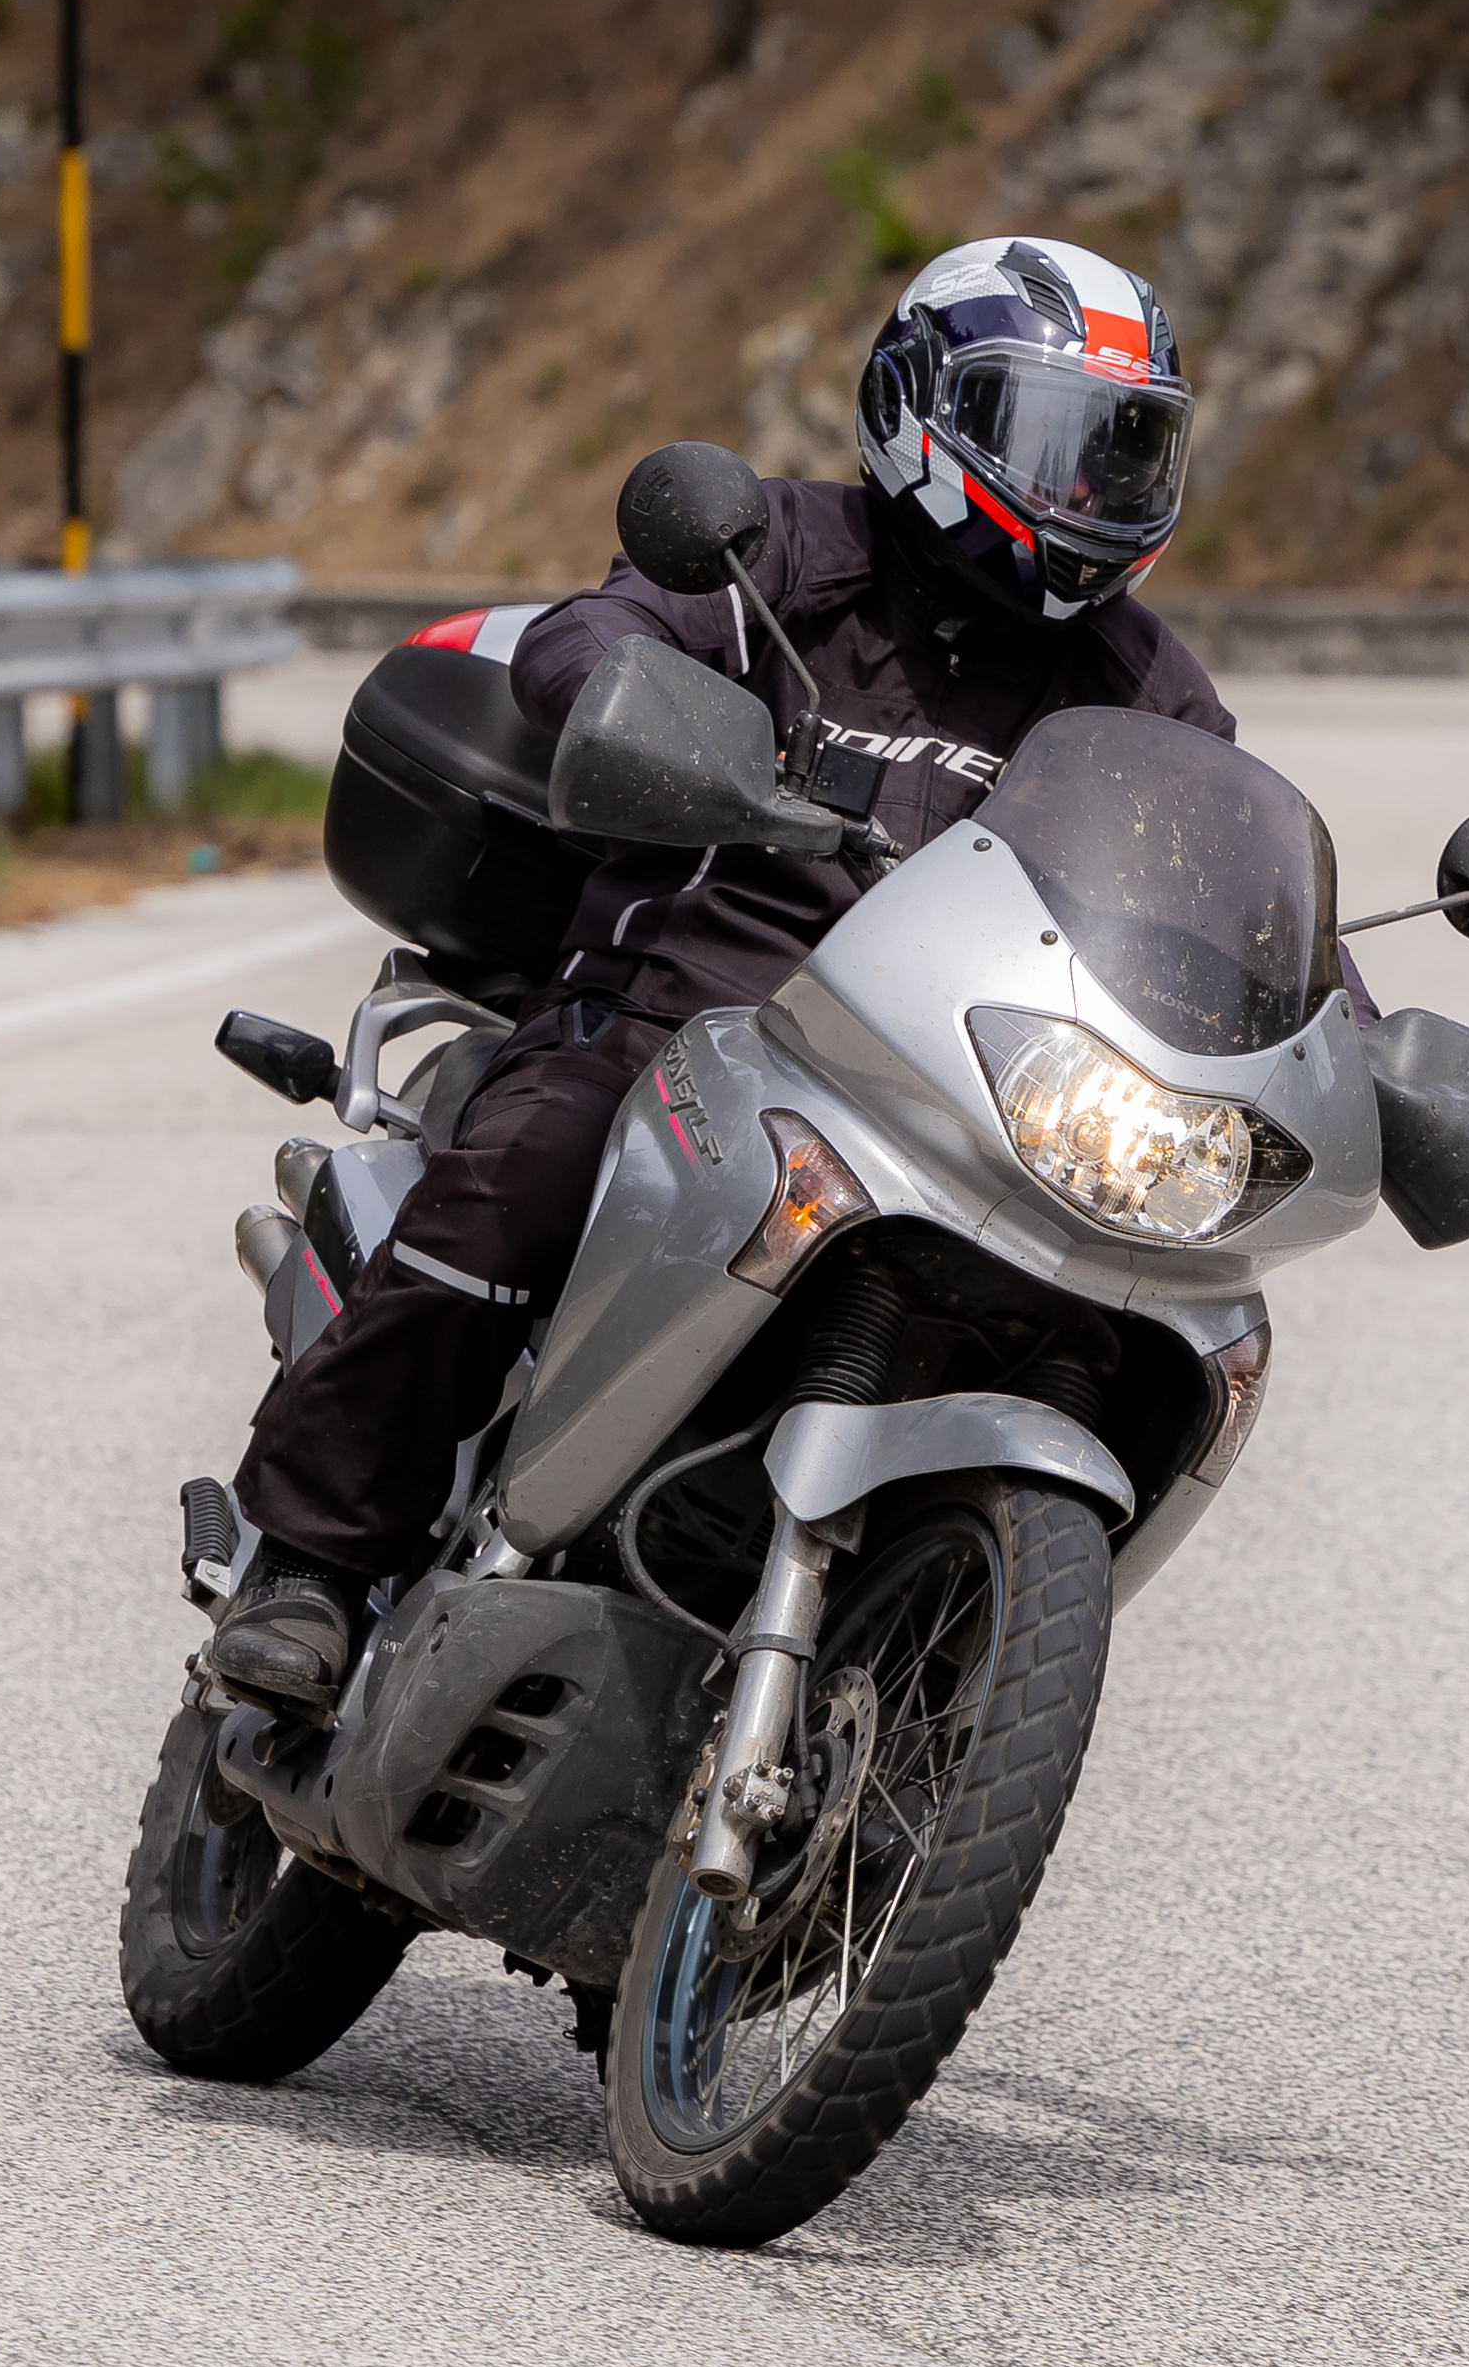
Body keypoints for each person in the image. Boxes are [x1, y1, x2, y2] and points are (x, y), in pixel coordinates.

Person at [204, 235, 1233, 1716]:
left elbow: (1210, 866)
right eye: (1050, 436)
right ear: (918, 406)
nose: (1088, 489)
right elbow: (593, 634)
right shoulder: (780, 555)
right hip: (687, 1022)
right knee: (532, 1171)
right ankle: (311, 1554)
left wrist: (1345, 1025)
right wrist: (645, 704)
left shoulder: (1142, 682)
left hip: (954, 1089)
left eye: (1123, 448)